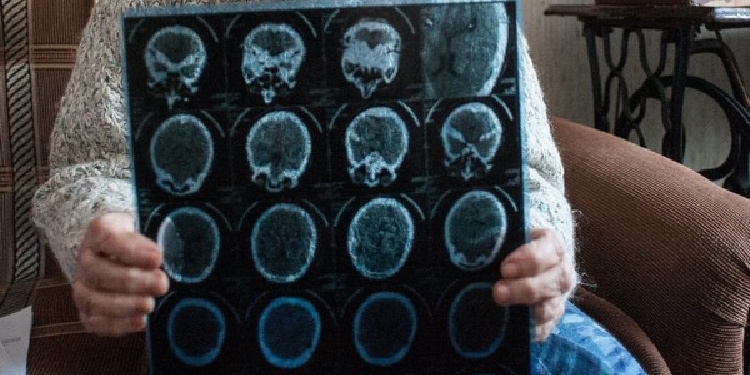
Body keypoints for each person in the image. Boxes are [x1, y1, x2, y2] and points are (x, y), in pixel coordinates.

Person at [31, 0, 647, 374]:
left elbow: (530, 165)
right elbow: (90, 164)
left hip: (469, 312)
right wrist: (105, 231)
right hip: (242, 323)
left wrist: (543, 242)